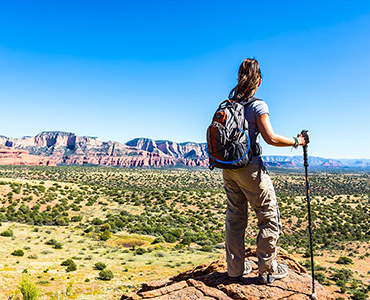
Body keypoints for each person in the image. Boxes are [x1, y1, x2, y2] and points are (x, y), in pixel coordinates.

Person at [223, 58, 308, 284]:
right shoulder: (257, 105)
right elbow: (270, 138)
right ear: (258, 80)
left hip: (228, 169)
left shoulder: (230, 104)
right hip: (250, 169)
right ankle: (267, 269)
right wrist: (296, 141)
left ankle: (235, 269)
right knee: (269, 217)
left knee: (235, 218)